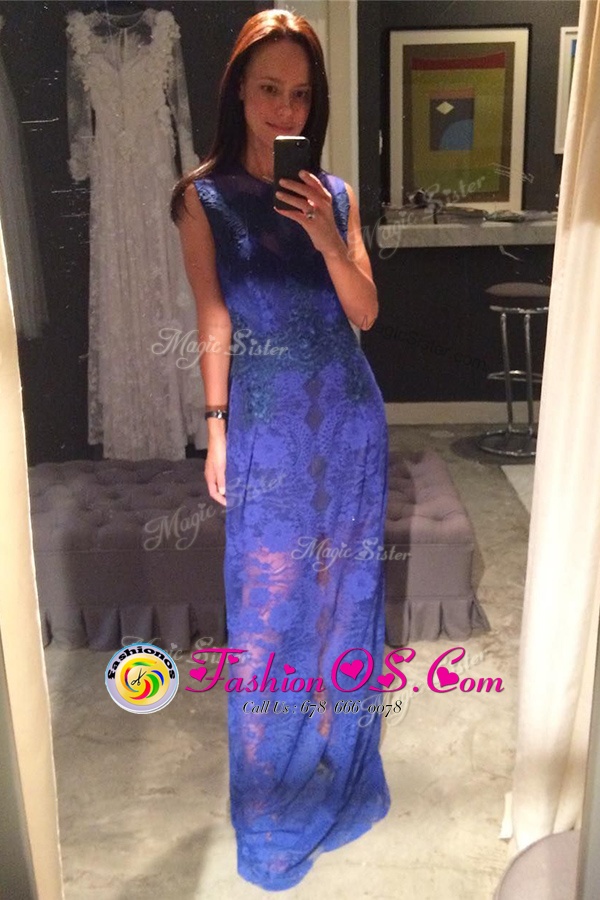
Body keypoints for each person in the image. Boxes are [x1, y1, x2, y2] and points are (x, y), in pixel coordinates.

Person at [171, 9, 391, 891]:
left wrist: (329, 237)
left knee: (345, 601)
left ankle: (341, 765)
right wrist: (216, 427)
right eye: (268, 88)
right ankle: (271, 811)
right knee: (267, 618)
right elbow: (213, 316)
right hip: (266, 424)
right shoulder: (202, 199)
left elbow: (365, 312)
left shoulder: (333, 194)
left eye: (300, 94)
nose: (283, 108)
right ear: (238, 90)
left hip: (349, 421)